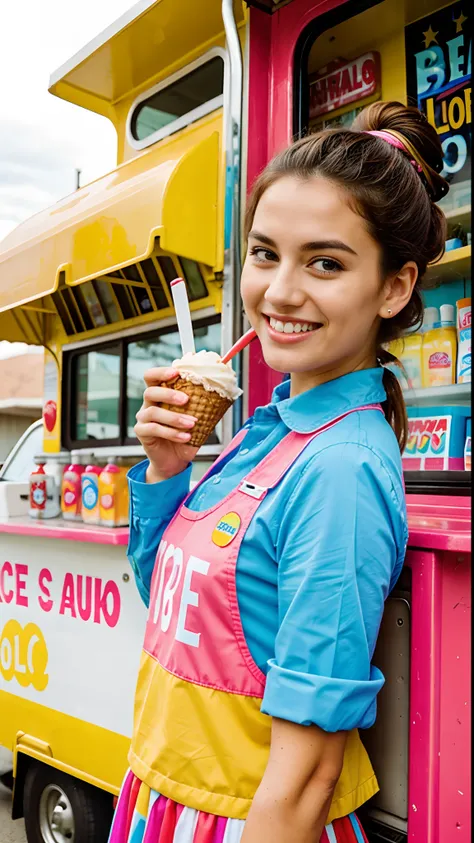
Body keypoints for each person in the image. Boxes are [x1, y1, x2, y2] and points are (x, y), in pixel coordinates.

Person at [109, 101, 448, 843]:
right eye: (265, 254)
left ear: (394, 288)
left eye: (324, 262)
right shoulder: (267, 428)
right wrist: (168, 471)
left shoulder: (339, 471)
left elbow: (305, 777)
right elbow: (175, 611)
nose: (280, 291)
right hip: (165, 795)